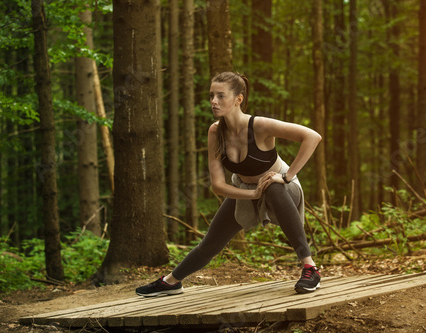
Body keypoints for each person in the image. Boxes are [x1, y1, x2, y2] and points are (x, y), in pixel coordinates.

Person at [136, 72, 322, 297]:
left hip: (282, 189)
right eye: (211, 96)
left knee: (272, 186)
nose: (213, 101)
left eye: (220, 96)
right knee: (211, 242)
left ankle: (310, 268)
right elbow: (217, 185)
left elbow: (312, 136)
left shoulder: (260, 126)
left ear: (238, 99)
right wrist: (253, 194)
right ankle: (170, 282)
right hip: (246, 190)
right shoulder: (216, 131)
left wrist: (286, 176)